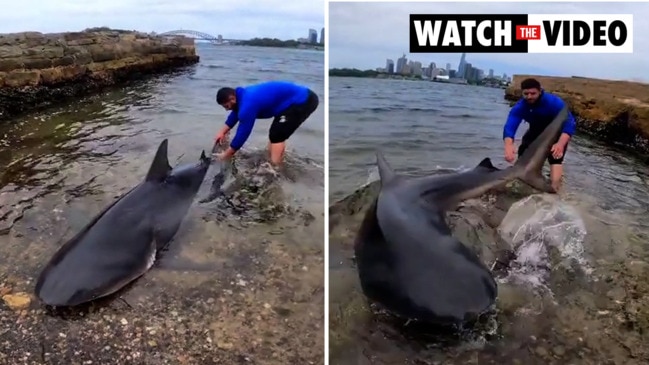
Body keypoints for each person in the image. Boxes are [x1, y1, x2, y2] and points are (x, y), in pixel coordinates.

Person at [212, 80, 319, 166]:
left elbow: (243, 134)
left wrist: (227, 154)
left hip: (304, 100)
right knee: (275, 134)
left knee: (277, 135)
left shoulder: (248, 104)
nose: (226, 110)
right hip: (291, 102)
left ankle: (275, 168)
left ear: (232, 98)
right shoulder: (242, 97)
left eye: (226, 106)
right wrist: (222, 132)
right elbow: (236, 113)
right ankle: (275, 159)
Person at [502, 77, 576, 192]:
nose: (529, 96)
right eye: (526, 94)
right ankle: (525, 180)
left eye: (533, 93)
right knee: (523, 151)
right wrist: (508, 146)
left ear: (540, 91)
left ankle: (555, 189)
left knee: (555, 157)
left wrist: (560, 144)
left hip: (557, 131)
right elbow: (510, 126)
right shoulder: (520, 107)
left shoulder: (553, 103)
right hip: (535, 129)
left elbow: (569, 123)